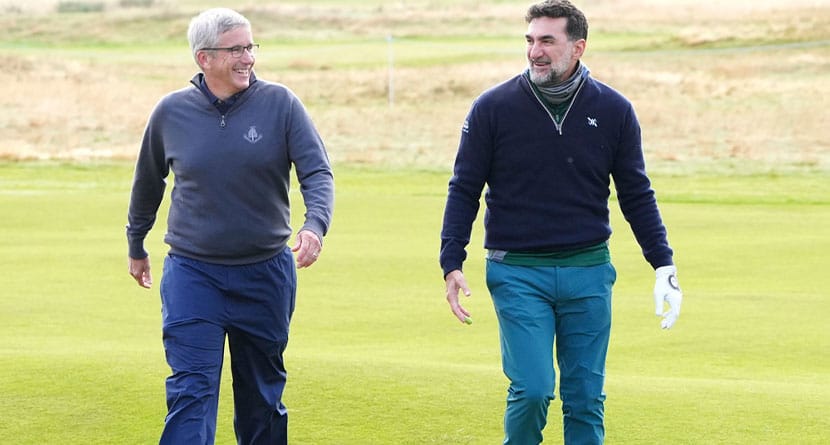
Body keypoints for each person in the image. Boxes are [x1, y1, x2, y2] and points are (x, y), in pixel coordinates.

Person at [439, 1, 682, 444]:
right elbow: (464, 187)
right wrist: (451, 259)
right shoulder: (492, 107)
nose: (535, 51)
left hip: (588, 271)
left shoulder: (614, 109)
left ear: (578, 47)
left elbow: (635, 193)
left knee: (585, 398)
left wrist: (662, 263)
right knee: (532, 391)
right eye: (531, 40)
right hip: (516, 271)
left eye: (548, 41)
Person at [126, 8, 334, 445]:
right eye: (236, 49)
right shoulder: (171, 112)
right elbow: (149, 181)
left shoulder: (281, 104)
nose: (248, 58)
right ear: (204, 58)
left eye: (250, 47)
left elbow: (316, 173)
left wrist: (314, 225)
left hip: (265, 273)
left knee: (261, 396)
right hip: (192, 272)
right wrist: (137, 242)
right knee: (191, 389)